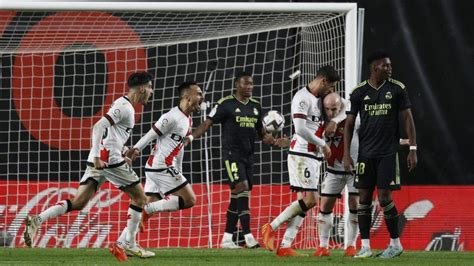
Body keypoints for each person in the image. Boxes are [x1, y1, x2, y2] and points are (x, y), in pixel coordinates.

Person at [23, 71, 156, 260]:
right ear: (142, 88)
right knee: (141, 199)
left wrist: (124, 149)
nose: (151, 92)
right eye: (150, 87)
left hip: (104, 159)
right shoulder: (124, 107)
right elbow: (98, 126)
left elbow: (110, 135)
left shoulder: (125, 106)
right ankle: (129, 244)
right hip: (107, 161)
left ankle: (37, 220)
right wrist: (96, 156)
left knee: (78, 202)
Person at [185, 71, 286, 249]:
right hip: (232, 155)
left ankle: (226, 239)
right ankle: (248, 236)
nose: (249, 87)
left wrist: (276, 142)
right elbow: (207, 123)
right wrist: (191, 138)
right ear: (236, 85)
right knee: (242, 188)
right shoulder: (225, 104)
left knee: (237, 196)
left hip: (248, 156)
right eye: (245, 84)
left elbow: (262, 134)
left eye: (251, 84)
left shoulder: (256, 106)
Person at [261, 66, 345, 257]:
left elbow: (345, 106)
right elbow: (300, 129)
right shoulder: (302, 98)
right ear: (323, 81)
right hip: (301, 154)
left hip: (312, 157)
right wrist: (322, 143)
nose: (331, 90)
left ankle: (284, 246)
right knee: (312, 200)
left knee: (303, 203)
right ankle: (271, 226)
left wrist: (333, 121)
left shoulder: (321, 97)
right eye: (330, 86)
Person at [343, 50, 417, 259]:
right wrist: (347, 154)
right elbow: (349, 124)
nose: (389, 68)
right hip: (365, 154)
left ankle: (395, 244)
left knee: (384, 198)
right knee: (364, 198)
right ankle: (365, 247)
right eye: (385, 65)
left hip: (388, 152)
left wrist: (412, 148)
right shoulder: (358, 92)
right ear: (374, 67)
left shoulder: (397, 89)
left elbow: (408, 120)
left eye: (390, 65)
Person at [121, 82, 202, 233]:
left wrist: (179, 170)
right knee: (189, 200)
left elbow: (179, 147)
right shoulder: (172, 117)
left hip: (160, 167)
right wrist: (136, 149)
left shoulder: (188, 119)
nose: (201, 97)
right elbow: (151, 134)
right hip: (161, 167)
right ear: (187, 97)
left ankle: (123, 243)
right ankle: (148, 209)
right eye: (198, 94)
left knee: (141, 214)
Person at [315, 92, 360, 257]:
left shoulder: (353, 118)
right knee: (325, 205)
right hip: (333, 169)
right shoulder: (320, 120)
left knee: (355, 204)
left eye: (334, 109)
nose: (330, 112)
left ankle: (351, 245)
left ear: (340, 106)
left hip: (353, 168)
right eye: (327, 109)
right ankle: (323, 246)